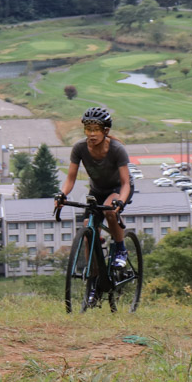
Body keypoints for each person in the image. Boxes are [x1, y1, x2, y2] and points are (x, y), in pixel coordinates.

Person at [55, 106, 134, 298]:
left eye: (95, 130)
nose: (91, 134)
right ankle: (95, 281)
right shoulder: (80, 148)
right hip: (97, 191)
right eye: (87, 129)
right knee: (88, 230)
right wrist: (62, 195)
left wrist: (120, 202)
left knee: (109, 211)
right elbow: (70, 179)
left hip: (118, 190)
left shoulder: (117, 149)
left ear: (105, 130)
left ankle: (120, 249)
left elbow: (125, 183)